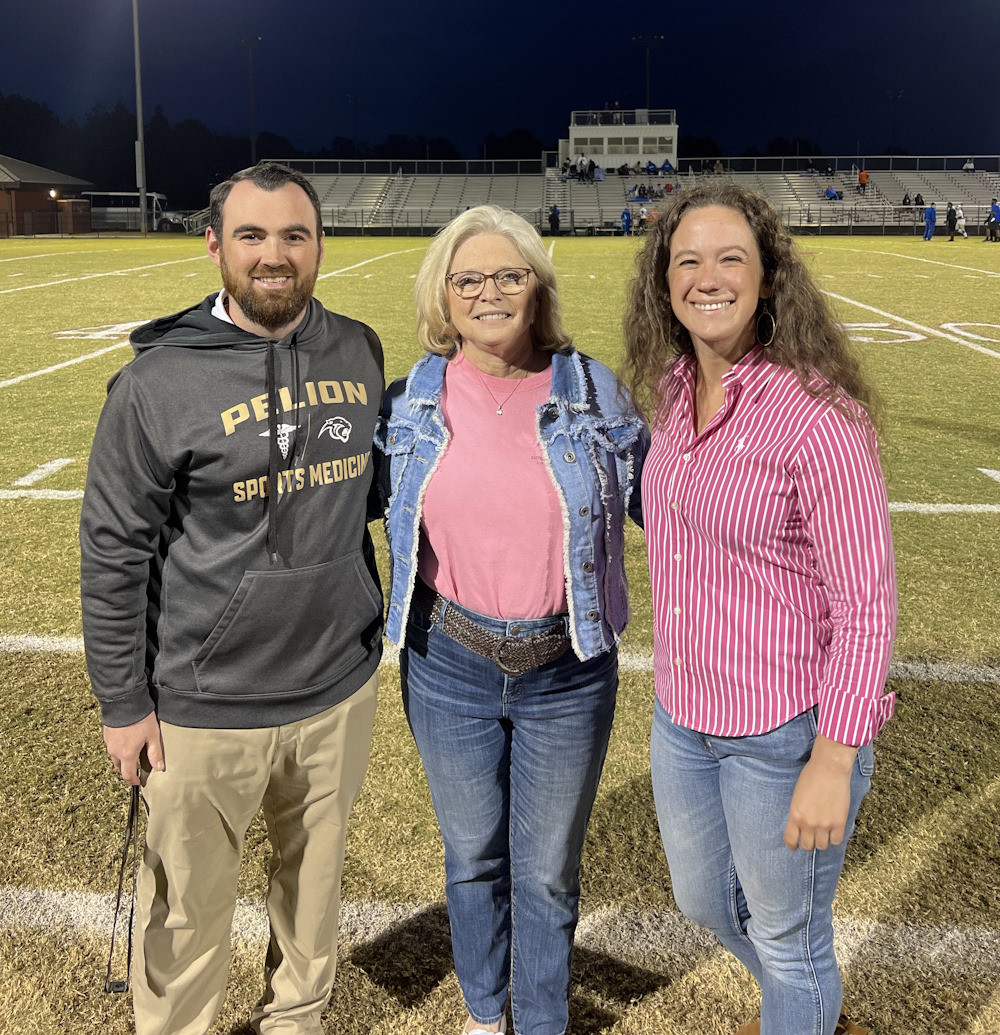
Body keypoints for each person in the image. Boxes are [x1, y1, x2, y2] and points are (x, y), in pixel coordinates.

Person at [80, 162, 385, 1035]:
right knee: (185, 913)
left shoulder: (357, 348)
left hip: (335, 686)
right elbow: (113, 549)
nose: (275, 255)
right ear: (215, 245)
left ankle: (297, 1019)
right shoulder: (156, 382)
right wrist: (121, 701)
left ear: (321, 244)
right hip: (201, 708)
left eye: (295, 234)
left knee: (313, 893)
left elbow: (365, 495)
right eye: (251, 235)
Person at [622, 181, 896, 1035]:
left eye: (730, 258)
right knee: (704, 903)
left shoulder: (820, 419)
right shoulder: (670, 389)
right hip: (684, 715)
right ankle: (807, 1008)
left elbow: (867, 605)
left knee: (788, 935)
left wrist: (834, 760)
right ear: (664, 283)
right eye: (687, 260)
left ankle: (802, 1006)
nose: (708, 277)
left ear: (769, 278)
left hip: (784, 731)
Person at [374, 204, 647, 1035]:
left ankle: (540, 1020)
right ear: (442, 297)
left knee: (548, 871)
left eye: (509, 275)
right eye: (468, 279)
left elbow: (675, 508)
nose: (489, 292)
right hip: (448, 659)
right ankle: (485, 1011)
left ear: (538, 286)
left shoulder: (595, 390)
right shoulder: (408, 398)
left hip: (567, 666)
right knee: (473, 857)